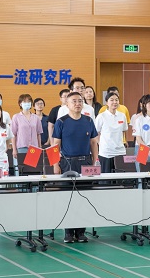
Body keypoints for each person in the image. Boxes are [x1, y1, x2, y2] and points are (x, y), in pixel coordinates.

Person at [52, 91, 99, 243]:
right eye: (74, 101)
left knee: (83, 198)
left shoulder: (88, 120)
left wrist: (95, 162)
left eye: (80, 101)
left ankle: (81, 232)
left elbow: (93, 143)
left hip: (85, 162)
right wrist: (55, 165)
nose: (77, 104)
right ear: (67, 104)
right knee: (68, 198)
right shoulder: (61, 122)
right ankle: (68, 232)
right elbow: (55, 145)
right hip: (67, 163)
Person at [94, 91, 127, 173]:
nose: (115, 102)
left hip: (120, 151)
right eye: (112, 100)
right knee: (106, 177)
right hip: (106, 152)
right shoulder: (101, 116)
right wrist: (101, 144)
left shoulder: (122, 116)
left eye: (116, 100)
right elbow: (96, 133)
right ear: (106, 103)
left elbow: (123, 131)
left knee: (121, 177)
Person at [132, 94, 150, 172]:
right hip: (142, 148)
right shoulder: (139, 120)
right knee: (141, 173)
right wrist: (148, 151)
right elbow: (138, 139)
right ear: (144, 105)